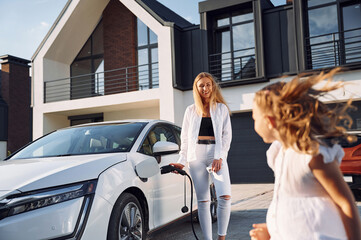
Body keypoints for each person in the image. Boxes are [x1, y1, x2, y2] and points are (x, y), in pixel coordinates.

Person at [249, 68, 361, 240]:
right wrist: (272, 232)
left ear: (270, 122)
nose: (254, 123)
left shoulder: (312, 155)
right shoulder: (279, 155)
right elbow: (291, 208)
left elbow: (345, 202)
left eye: (254, 118)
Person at [171, 72, 232, 240]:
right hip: (196, 154)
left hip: (216, 153)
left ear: (212, 86)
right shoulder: (190, 110)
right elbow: (184, 139)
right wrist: (181, 161)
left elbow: (227, 136)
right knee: (203, 201)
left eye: (208, 84)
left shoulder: (221, 109)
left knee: (225, 196)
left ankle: (221, 237)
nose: (205, 88)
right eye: (201, 85)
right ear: (196, 89)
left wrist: (220, 157)